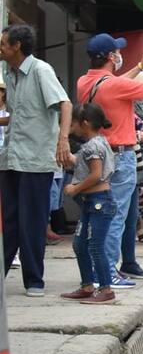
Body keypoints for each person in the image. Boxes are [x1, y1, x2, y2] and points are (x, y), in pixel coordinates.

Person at [77, 35, 143, 286]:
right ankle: (106, 272)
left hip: (98, 156)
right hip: (120, 157)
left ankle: (99, 271)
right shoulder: (114, 86)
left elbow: (112, 84)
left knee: (101, 214)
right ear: (111, 57)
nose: (120, 54)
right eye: (117, 51)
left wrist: (140, 66)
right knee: (115, 216)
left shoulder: (85, 82)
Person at [0, 25, 72, 297]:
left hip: (36, 160)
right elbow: (19, 117)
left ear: (17, 45)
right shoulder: (10, 72)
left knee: (31, 222)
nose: (0, 47)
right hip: (11, 159)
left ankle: (34, 280)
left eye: (3, 43)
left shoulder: (41, 70)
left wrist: (62, 140)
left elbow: (65, 104)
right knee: (8, 222)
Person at [60, 103, 118, 305]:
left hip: (100, 203)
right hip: (91, 204)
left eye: (73, 124)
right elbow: (82, 163)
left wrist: (75, 188)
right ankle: (87, 285)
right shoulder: (94, 144)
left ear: (84, 124)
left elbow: (95, 175)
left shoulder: (94, 146)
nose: (71, 128)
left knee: (95, 246)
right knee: (80, 244)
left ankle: (106, 289)